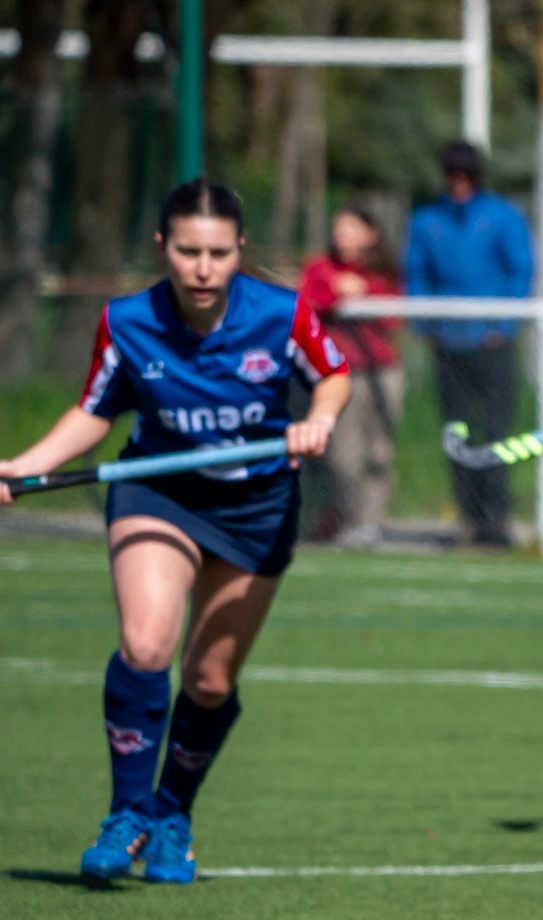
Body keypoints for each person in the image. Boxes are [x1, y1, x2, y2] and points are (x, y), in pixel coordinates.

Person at [0, 179, 350, 882]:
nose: (202, 268)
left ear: (239, 251)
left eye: (218, 253)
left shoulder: (281, 315)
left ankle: (171, 813)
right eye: (188, 251)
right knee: (146, 641)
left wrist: (321, 419)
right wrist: (20, 468)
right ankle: (126, 813)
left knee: (211, 679)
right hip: (156, 492)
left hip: (256, 509)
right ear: (163, 247)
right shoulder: (128, 321)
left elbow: (333, 376)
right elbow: (94, 412)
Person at [405, 141, 533, 548]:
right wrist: (426, 323)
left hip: (492, 345)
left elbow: (521, 271)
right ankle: (469, 517)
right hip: (449, 346)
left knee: (496, 432)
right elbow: (416, 274)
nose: (459, 185)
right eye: (453, 176)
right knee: (457, 432)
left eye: (467, 177)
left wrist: (504, 325)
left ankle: (496, 518)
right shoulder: (428, 221)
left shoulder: (502, 217)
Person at [299, 205, 405, 547]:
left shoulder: (385, 272)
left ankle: (370, 524)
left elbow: (393, 318)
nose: (342, 234)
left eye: (351, 227)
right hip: (339, 374)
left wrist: (365, 291)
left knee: (380, 451)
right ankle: (345, 517)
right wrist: (337, 291)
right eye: (338, 227)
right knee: (342, 457)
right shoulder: (320, 268)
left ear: (369, 234)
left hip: (382, 370)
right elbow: (305, 305)